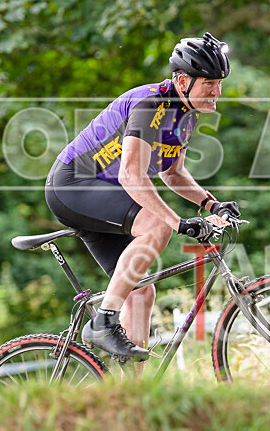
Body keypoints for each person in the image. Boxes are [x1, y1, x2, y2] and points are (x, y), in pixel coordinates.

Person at [45, 32, 241, 361]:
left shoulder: (186, 114)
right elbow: (131, 174)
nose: (217, 91)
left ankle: (132, 389)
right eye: (209, 82)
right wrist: (178, 222)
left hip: (105, 194)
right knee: (158, 226)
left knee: (141, 292)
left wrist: (210, 203)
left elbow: (172, 172)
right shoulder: (151, 105)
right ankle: (103, 323)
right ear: (182, 80)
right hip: (73, 186)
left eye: (219, 82)